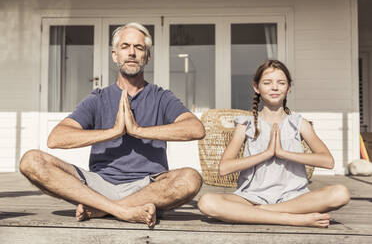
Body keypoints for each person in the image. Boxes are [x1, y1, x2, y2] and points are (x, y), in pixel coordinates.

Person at [20, 22, 205, 228]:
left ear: (147, 57)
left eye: (139, 48)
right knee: (31, 160)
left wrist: (137, 130)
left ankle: (102, 209)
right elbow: (56, 139)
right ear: (115, 55)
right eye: (125, 47)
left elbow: (195, 128)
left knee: (191, 178)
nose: (132, 53)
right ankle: (121, 210)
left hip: (148, 187)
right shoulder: (98, 98)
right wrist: (113, 132)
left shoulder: (161, 97)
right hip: (98, 185)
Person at [197, 60, 350, 228]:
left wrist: (283, 153)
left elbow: (327, 161)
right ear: (256, 87)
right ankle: (291, 219)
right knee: (207, 202)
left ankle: (263, 213)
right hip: (251, 198)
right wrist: (266, 154)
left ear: (289, 87)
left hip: (294, 198)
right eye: (267, 83)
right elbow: (224, 168)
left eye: (281, 83)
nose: (275, 88)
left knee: (340, 193)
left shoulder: (299, 123)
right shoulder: (245, 124)